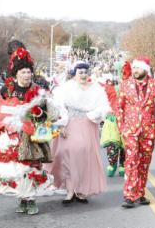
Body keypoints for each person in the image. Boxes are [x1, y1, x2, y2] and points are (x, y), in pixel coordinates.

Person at [0, 47, 54, 215]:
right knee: (14, 167)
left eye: (29, 72)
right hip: (10, 133)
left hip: (30, 134)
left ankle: (30, 199)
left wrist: (38, 113)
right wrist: (2, 115)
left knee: (30, 167)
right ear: (16, 74)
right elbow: (1, 106)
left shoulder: (38, 90)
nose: (27, 75)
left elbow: (46, 113)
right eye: (23, 72)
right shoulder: (6, 89)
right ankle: (21, 198)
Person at [46, 60, 110, 205]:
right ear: (74, 74)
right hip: (69, 124)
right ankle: (69, 190)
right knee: (67, 153)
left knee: (84, 156)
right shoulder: (65, 88)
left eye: (85, 72)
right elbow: (58, 107)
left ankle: (81, 190)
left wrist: (94, 114)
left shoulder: (96, 89)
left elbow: (103, 106)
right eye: (80, 72)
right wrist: (60, 125)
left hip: (87, 125)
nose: (83, 75)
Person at [117, 56, 155, 208]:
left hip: (148, 130)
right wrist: (122, 127)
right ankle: (129, 195)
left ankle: (140, 193)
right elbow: (119, 107)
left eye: (138, 68)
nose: (134, 70)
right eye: (133, 68)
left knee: (144, 163)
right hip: (130, 130)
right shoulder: (125, 85)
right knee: (131, 160)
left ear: (145, 70)